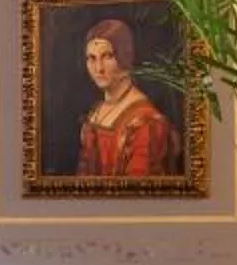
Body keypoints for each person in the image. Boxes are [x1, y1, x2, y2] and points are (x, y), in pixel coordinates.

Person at [75, 18, 180, 178]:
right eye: (92, 58)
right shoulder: (95, 113)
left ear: (125, 56)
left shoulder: (146, 120)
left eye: (108, 56)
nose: (99, 68)